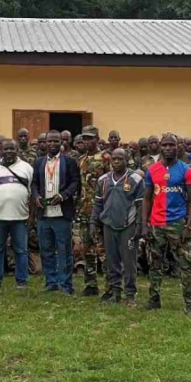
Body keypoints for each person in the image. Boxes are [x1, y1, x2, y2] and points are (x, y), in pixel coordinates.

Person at [142, 133, 191, 314]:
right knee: (155, 264)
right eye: (164, 145)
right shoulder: (152, 170)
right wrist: (145, 224)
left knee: (186, 264)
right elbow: (147, 198)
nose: (167, 148)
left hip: (178, 223)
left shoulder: (186, 170)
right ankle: (154, 299)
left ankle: (190, 303)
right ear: (159, 147)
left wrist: (188, 226)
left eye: (171, 145)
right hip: (157, 224)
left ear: (177, 147)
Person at [91, 148, 144, 307]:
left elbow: (141, 205)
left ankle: (130, 294)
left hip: (128, 226)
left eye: (120, 159)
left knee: (129, 262)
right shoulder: (103, 180)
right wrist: (93, 222)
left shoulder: (135, 179)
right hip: (108, 226)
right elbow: (98, 203)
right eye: (113, 159)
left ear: (126, 160)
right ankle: (115, 292)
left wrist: (140, 225)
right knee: (112, 261)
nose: (116, 161)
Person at [32, 129, 81, 294]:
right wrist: (36, 196)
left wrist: (64, 195)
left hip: (62, 213)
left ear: (62, 143)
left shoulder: (69, 161)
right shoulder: (38, 162)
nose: (52, 144)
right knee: (46, 250)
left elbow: (75, 182)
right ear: (45, 143)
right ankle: (50, 282)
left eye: (56, 141)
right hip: (44, 214)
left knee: (64, 250)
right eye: (49, 141)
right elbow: (34, 183)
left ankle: (66, 284)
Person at [0, 139, 34, 290]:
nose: (9, 151)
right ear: (1, 150)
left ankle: (22, 281)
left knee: (21, 250)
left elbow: (32, 194)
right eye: (6, 149)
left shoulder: (27, 168)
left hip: (21, 217)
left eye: (12, 148)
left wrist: (32, 216)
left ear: (17, 149)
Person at [75, 126, 108, 296]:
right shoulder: (81, 159)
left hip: (102, 212)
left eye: (90, 138)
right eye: (84, 138)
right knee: (87, 249)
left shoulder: (106, 158)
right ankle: (91, 284)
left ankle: (111, 285)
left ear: (97, 138)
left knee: (104, 250)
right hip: (84, 211)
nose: (87, 141)